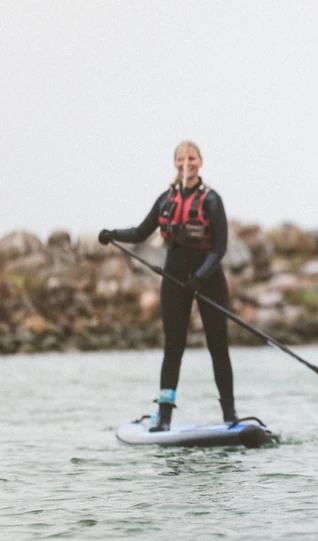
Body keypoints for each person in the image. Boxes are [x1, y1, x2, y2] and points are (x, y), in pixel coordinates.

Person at [98, 140, 236, 432]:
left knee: (218, 346)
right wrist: (113, 234)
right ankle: (164, 414)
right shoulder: (166, 199)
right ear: (175, 163)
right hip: (174, 278)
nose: (187, 163)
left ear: (200, 161)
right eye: (182, 158)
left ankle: (229, 415)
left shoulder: (212, 200)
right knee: (173, 346)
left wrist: (200, 276)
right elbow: (140, 232)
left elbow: (220, 246)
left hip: (209, 279)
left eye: (193, 157)